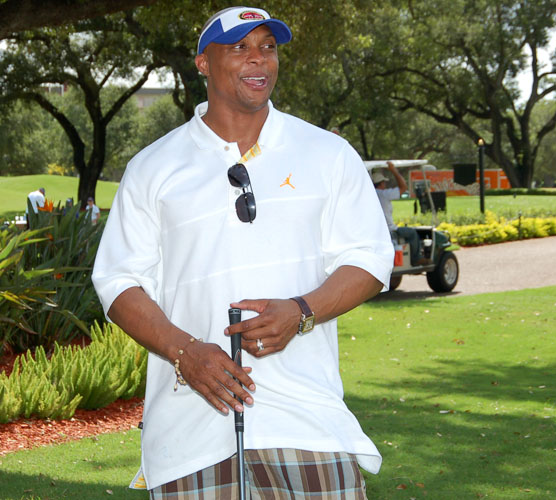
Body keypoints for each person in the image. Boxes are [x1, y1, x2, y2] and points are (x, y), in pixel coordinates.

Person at [92, 6, 394, 499]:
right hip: (190, 432)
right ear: (203, 64)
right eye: (240, 47)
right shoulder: (153, 167)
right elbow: (117, 281)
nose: (259, 60)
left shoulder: (326, 153)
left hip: (308, 425)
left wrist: (301, 311)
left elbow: (370, 258)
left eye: (268, 47)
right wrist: (186, 352)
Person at [372, 161, 430, 266]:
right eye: (384, 183)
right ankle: (416, 258)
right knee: (412, 233)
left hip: (376, 231)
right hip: (390, 230)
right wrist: (394, 170)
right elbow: (403, 187)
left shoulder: (370, 194)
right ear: (381, 183)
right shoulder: (384, 194)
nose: (385, 185)